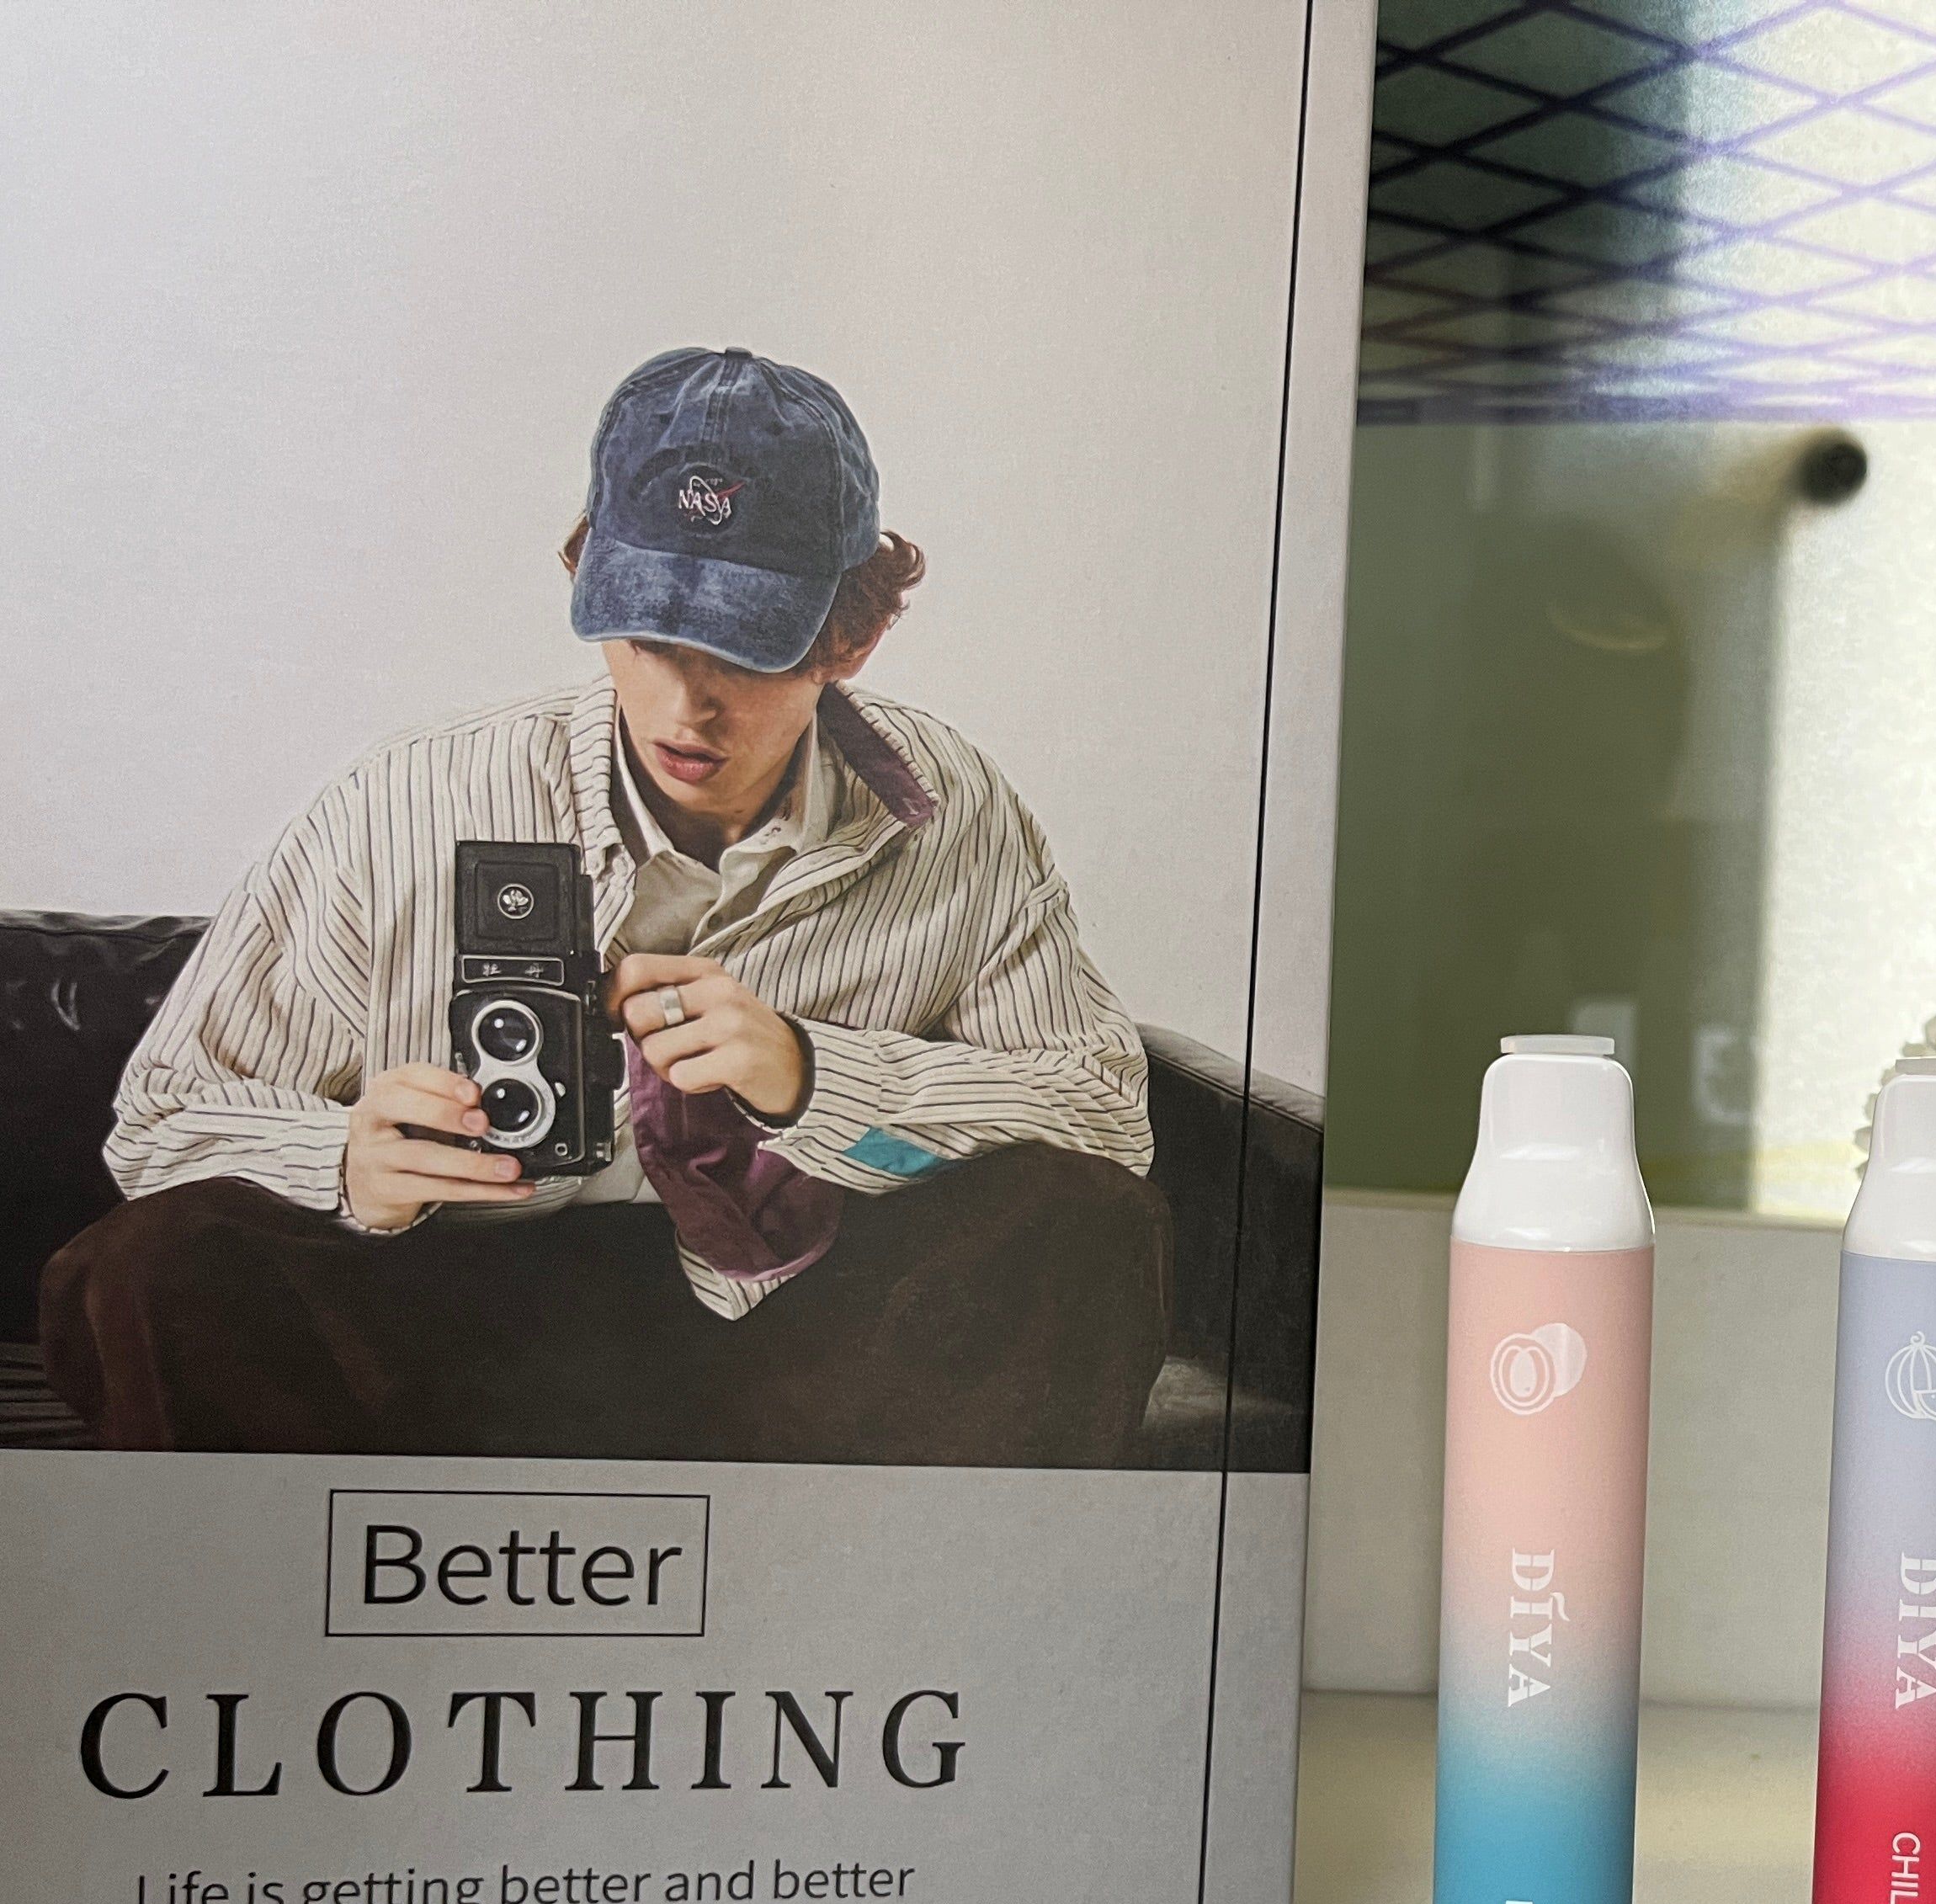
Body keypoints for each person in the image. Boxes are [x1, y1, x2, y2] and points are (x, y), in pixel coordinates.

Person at [42, 348, 1169, 1465]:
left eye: (744, 649)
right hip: (442, 1316)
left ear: (852, 638)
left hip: (802, 1333)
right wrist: (345, 1161)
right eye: (646, 636)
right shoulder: (403, 804)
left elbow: (1104, 1117)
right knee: (146, 1264)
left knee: (1083, 1223)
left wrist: (813, 1075)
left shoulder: (948, 809)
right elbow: (164, 1123)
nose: (687, 706)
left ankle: (881, 1576)